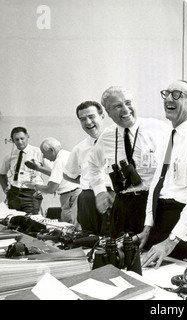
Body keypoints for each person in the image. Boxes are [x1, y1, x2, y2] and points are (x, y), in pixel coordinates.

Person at [138, 80, 187, 268]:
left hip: (186, 228)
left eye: (177, 94)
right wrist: (148, 227)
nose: (168, 99)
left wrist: (171, 241)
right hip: (161, 220)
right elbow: (157, 186)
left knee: (181, 285)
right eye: (167, 93)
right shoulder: (166, 139)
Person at [88, 86, 170, 239]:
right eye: (118, 106)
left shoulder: (157, 128)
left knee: (151, 254)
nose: (125, 109)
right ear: (108, 112)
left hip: (153, 203)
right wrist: (99, 191)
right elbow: (92, 165)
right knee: (121, 251)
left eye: (128, 103)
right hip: (123, 205)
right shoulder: (107, 136)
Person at [63, 100, 110, 235]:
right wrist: (87, 182)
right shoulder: (79, 148)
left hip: (112, 196)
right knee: (89, 238)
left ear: (102, 116)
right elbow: (68, 174)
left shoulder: (117, 141)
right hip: (88, 199)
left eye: (91, 117)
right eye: (83, 119)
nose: (88, 122)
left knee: (113, 240)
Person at [25, 137, 82, 228]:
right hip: (77, 195)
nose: (44, 156)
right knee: (76, 226)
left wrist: (35, 186)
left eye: (44, 153)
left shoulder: (59, 161)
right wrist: (38, 168)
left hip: (71, 197)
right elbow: (59, 175)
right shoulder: (67, 155)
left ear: (51, 150)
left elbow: (51, 188)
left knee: (71, 228)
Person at [0, 127, 45, 215]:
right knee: (14, 222)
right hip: (14, 194)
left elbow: (52, 171)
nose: (20, 142)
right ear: (12, 140)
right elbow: (2, 174)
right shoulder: (9, 156)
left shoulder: (38, 152)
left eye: (22, 138)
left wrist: (43, 190)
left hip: (31, 193)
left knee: (31, 222)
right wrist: (6, 189)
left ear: (28, 136)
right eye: (16, 139)